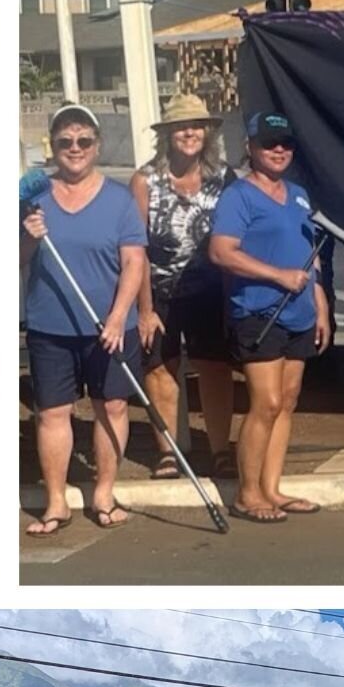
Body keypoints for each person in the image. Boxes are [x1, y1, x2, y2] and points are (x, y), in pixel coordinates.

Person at [22, 105, 147, 534]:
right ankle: (56, 503)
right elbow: (19, 263)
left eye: (83, 141)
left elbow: (134, 263)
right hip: (51, 327)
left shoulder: (119, 200)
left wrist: (116, 319)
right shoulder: (34, 200)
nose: (74, 148)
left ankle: (104, 492)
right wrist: (28, 237)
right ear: (53, 147)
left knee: (111, 407)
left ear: (96, 145)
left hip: (110, 329)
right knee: (53, 413)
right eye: (65, 141)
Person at [208, 113, 331, 523]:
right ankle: (247, 494)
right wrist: (278, 275)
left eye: (285, 143)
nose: (278, 150)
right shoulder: (238, 196)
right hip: (258, 313)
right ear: (251, 147)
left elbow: (308, 257)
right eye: (268, 143)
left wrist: (321, 305)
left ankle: (272, 489)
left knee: (288, 402)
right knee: (266, 403)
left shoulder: (297, 194)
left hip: (299, 313)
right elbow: (222, 252)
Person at [130, 95, 238, 484]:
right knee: (160, 368)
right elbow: (135, 247)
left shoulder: (224, 178)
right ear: (168, 134)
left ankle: (221, 450)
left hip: (210, 289)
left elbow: (234, 237)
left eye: (195, 125)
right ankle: (169, 452)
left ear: (206, 132)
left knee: (215, 368)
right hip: (158, 292)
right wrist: (144, 309)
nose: (189, 132)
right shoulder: (145, 180)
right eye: (180, 126)